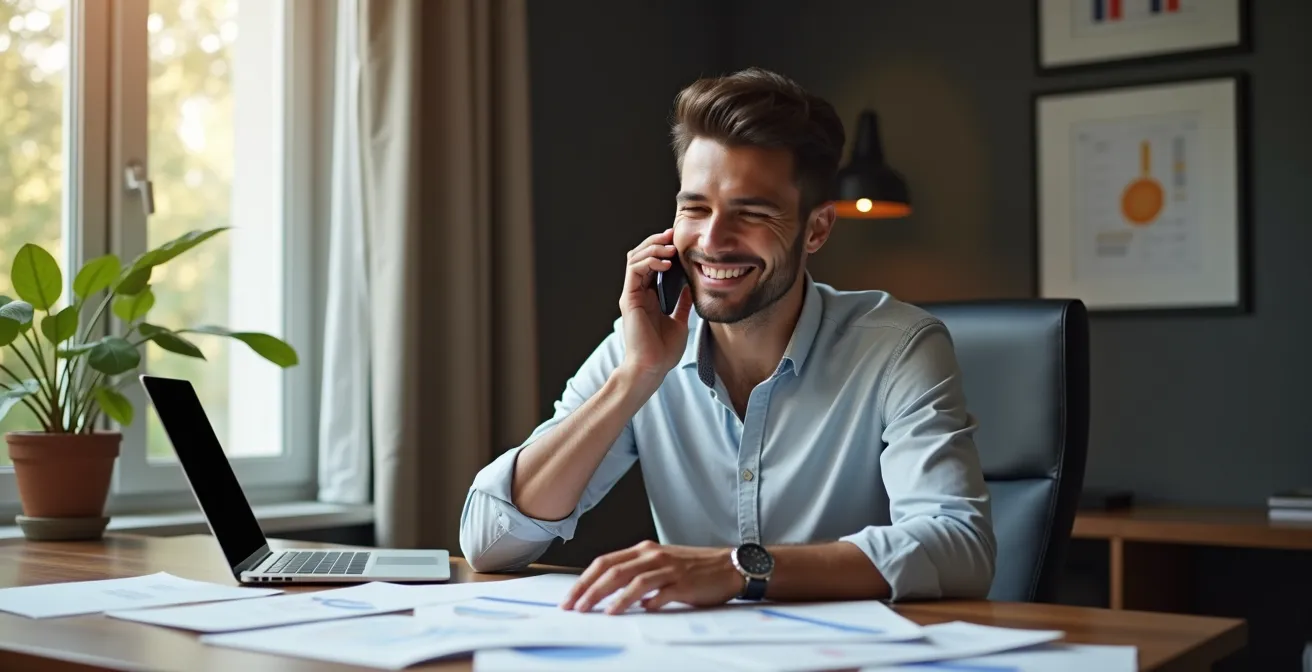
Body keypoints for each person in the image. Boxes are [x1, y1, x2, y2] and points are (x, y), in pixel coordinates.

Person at [459, 67, 995, 615]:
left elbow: (959, 546)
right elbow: (489, 541)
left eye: (752, 212)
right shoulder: (641, 347)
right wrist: (635, 377)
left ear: (816, 229)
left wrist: (739, 569)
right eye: (695, 208)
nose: (712, 241)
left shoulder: (899, 347)